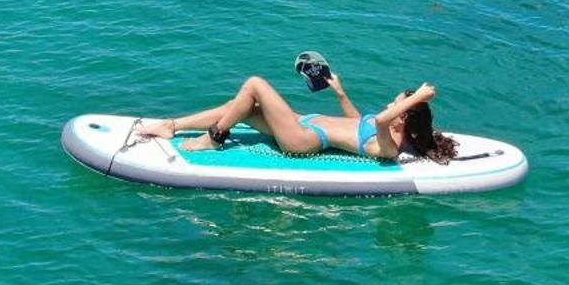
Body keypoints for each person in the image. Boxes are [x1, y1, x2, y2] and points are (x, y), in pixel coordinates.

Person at [135, 73, 456, 163]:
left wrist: (416, 99)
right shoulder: (383, 125)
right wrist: (340, 93)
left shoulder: (388, 148)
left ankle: (213, 139)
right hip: (304, 121)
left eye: (396, 104)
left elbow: (382, 121)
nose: (388, 106)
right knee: (240, 103)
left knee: (255, 84)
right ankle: (171, 126)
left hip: (302, 140)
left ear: (403, 118)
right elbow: (361, 121)